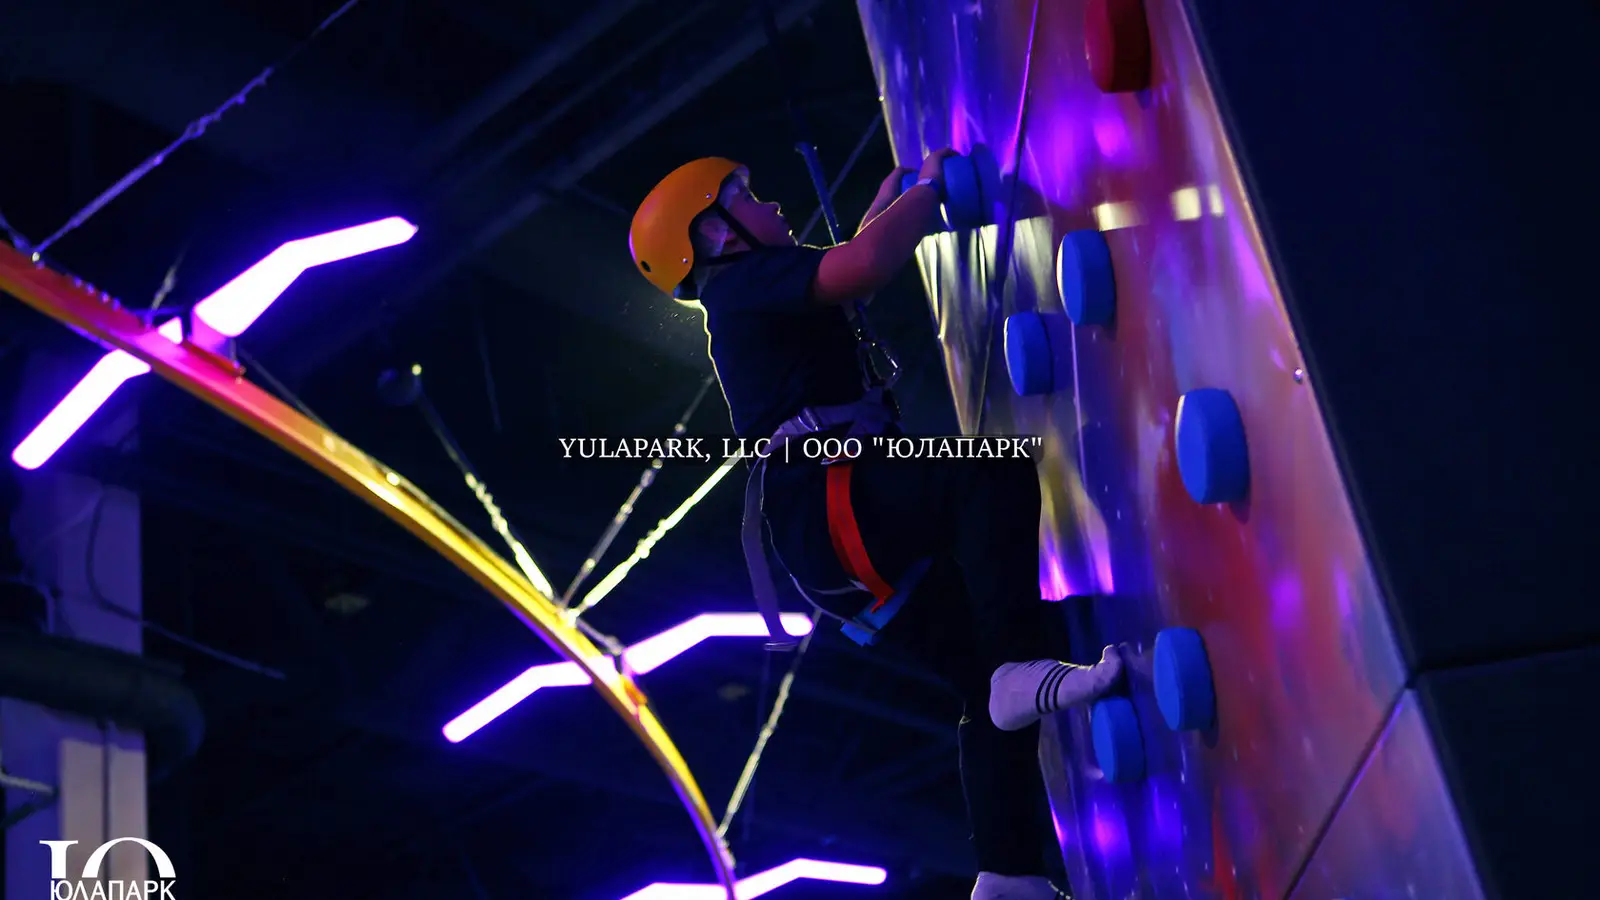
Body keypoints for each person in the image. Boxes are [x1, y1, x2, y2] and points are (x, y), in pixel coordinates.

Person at [628, 150, 1125, 900]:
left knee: (984, 684)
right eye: (748, 196)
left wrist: (886, 208)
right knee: (986, 474)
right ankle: (1019, 675)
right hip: (833, 506)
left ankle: (1007, 873)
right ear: (720, 236)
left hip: (828, 545)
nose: (771, 206)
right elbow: (857, 269)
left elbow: (843, 269)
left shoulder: (749, 295)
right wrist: (924, 195)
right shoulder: (740, 289)